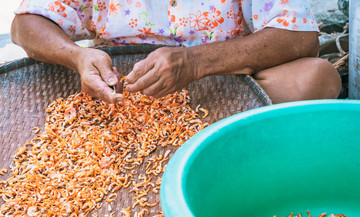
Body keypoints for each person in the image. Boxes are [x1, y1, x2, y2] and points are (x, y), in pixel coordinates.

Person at [11, 0, 341, 104]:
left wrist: (195, 62)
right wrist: (78, 56)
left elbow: (300, 36)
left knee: (316, 78)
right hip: (124, 95)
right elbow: (25, 25)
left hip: (221, 88)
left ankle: (211, 141)